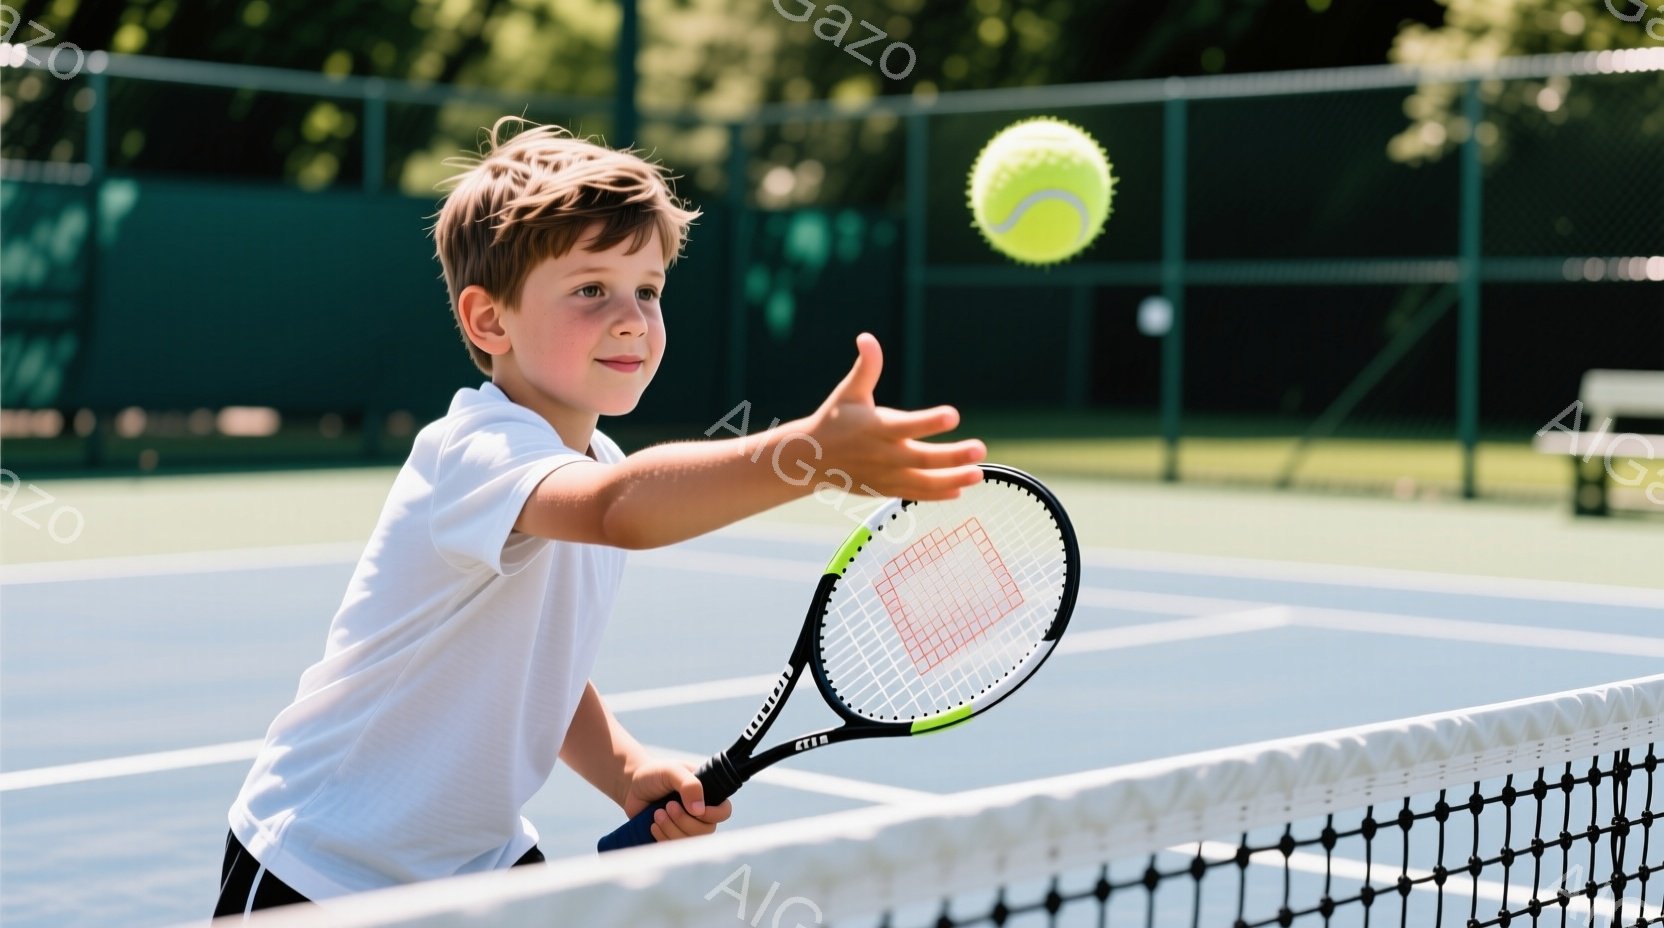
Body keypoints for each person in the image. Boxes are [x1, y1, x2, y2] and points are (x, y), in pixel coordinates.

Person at [214, 117, 986, 919]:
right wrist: (806, 455)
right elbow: (621, 511)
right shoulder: (475, 449)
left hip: (476, 863)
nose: (631, 319)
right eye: (591, 289)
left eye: (647, 290)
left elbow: (536, 665)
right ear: (489, 321)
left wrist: (623, 767)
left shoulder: (598, 462)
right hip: (327, 863)